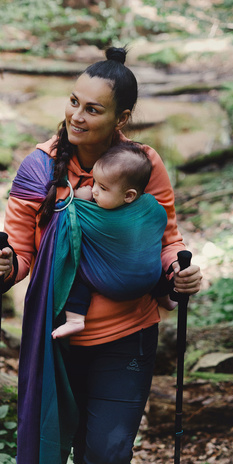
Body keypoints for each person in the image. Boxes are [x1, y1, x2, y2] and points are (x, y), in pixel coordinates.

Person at [0, 46, 202, 464]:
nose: (78, 116)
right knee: (77, 448)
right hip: (57, 340)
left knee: (106, 455)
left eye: (94, 109)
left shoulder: (142, 165)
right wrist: (2, 265)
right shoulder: (39, 168)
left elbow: (161, 235)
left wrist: (178, 273)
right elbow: (22, 252)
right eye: (74, 103)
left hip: (126, 336)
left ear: (120, 118)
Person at [51, 141, 167, 340]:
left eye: (102, 188)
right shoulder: (149, 206)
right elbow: (160, 219)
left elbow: (71, 213)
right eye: (94, 182)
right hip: (150, 281)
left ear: (129, 195)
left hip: (112, 284)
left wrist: (80, 199)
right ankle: (167, 297)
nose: (94, 190)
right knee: (150, 256)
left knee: (76, 267)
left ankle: (75, 319)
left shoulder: (96, 215)